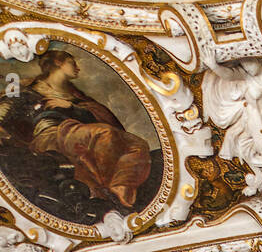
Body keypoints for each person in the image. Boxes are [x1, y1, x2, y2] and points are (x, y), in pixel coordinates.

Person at [0, 49, 152, 215]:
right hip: (50, 134)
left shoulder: (76, 95)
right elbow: (4, 110)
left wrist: (71, 107)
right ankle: (103, 190)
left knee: (138, 146)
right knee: (105, 134)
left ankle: (119, 191)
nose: (77, 67)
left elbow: (103, 117)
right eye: (72, 62)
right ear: (58, 63)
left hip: (78, 135)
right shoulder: (29, 88)